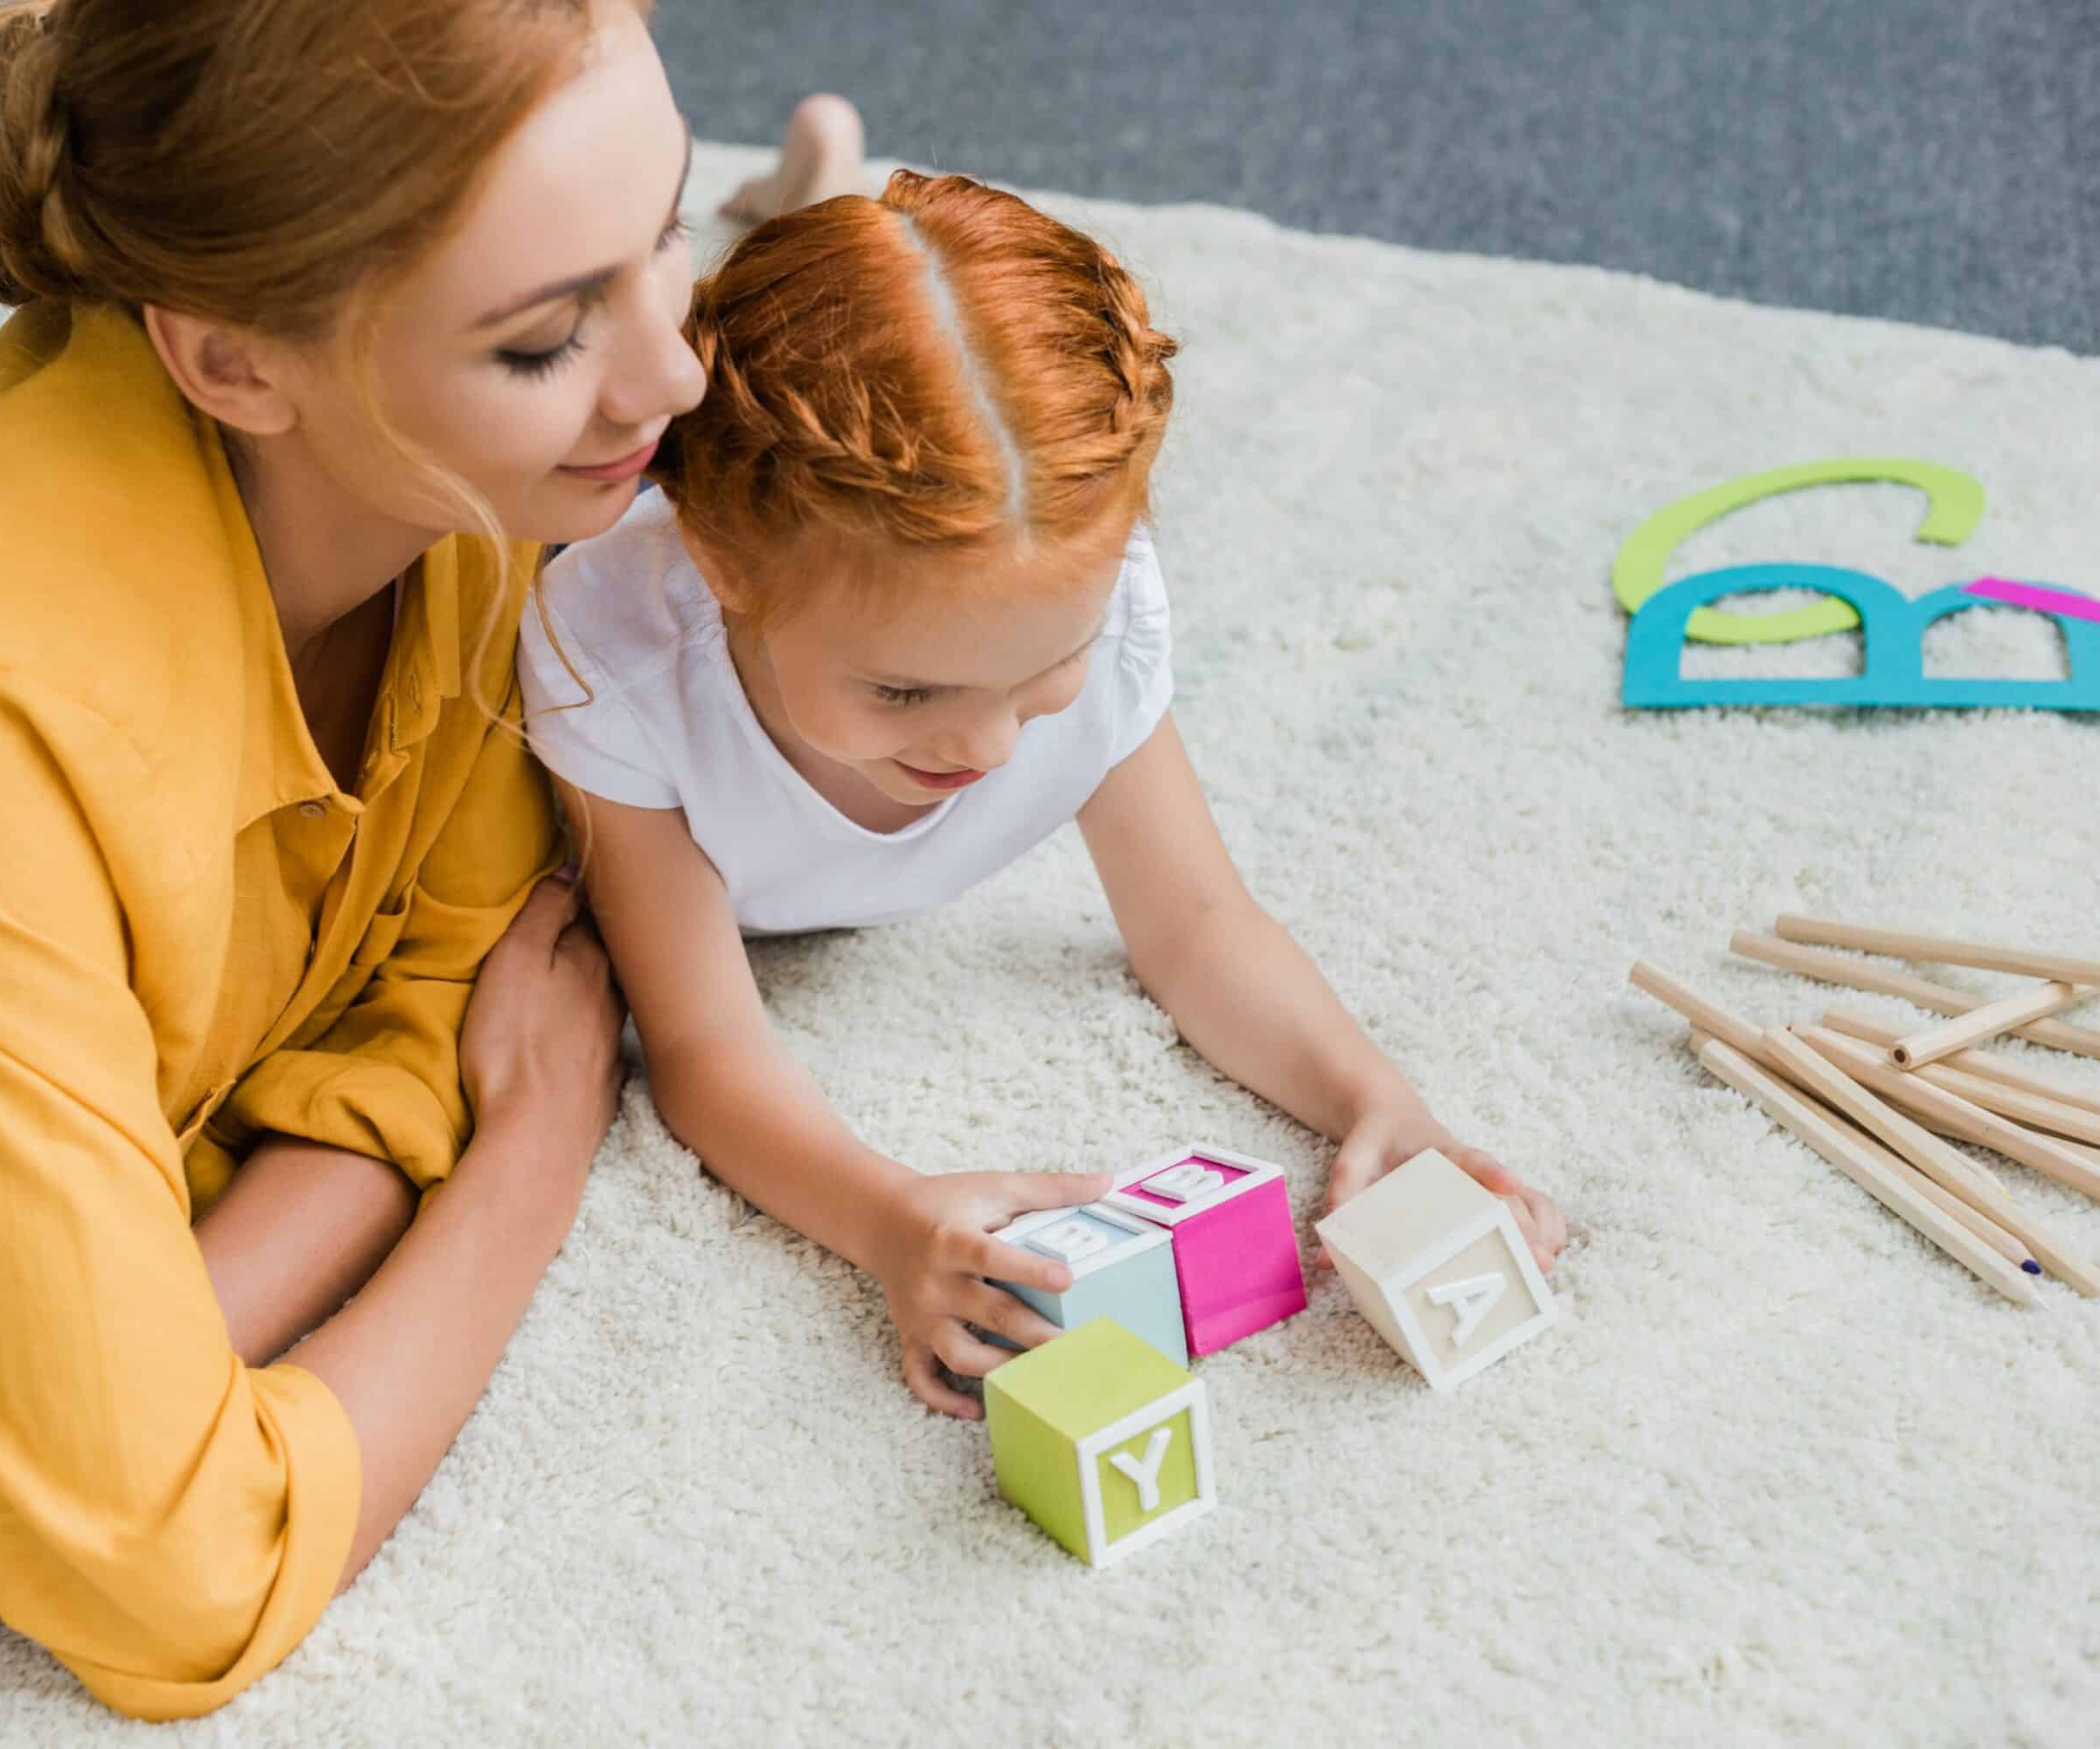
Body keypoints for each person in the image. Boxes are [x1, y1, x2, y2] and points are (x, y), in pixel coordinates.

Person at [0, 0, 846, 1720]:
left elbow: (429, 1000)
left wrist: (8, 1473)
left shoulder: (461, 493)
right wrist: (532, 1155)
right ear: (235, 362)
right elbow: (171, 1589)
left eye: (665, 238)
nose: (674, 379)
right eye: (549, 336)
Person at [518, 171, 1571, 1421]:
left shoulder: (1095, 595)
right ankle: (806, 180)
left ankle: (811, 177)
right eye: (907, 695)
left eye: (1039, 677)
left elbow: (1197, 929)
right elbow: (700, 1046)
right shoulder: (615, 659)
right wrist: (888, 1217)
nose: (987, 747)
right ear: (717, 567)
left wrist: (1377, 1104)